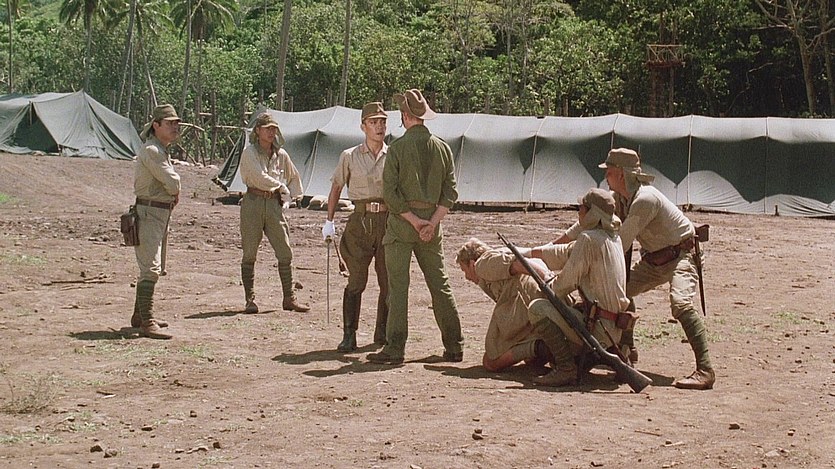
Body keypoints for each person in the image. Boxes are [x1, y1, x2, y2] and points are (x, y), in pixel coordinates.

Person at [556, 148, 715, 390]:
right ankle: (626, 353)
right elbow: (585, 224)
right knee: (621, 294)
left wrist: (579, 258)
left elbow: (620, 242)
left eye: (609, 172)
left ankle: (705, 370)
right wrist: (555, 245)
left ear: (622, 174)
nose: (605, 176)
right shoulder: (620, 198)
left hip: (683, 256)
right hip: (656, 260)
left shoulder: (645, 200)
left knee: (680, 304)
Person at [367, 89, 463, 365]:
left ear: (405, 116)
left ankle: (395, 348)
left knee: (398, 288)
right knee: (440, 284)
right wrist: (430, 222)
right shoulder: (443, 148)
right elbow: (450, 193)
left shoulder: (397, 148)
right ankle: (454, 346)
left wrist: (414, 220)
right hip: (432, 225)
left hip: (402, 225)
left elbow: (391, 194)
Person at [525, 188, 631, 386]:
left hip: (598, 328)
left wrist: (546, 283)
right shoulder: (613, 237)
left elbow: (563, 286)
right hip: (613, 327)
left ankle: (566, 368)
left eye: (582, 208)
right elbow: (563, 253)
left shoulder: (588, 239)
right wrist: (530, 253)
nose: (579, 213)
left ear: (592, 213)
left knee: (537, 309)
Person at [322, 102, 390, 352]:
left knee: (389, 281)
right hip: (360, 222)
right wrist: (329, 221)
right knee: (356, 281)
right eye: (373, 122)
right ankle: (349, 335)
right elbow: (336, 187)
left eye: (382, 122)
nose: (379, 127)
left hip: (388, 221)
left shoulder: (393, 155)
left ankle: (382, 333)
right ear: (363, 127)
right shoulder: (349, 156)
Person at [239, 112, 310, 313]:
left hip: (273, 205)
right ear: (257, 131)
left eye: (274, 129)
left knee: (285, 251)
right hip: (253, 202)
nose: (271, 132)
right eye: (267, 128)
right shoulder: (250, 153)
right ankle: (250, 300)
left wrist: (292, 197)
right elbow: (258, 176)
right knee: (250, 252)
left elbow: (294, 177)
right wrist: (281, 186)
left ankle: (289, 298)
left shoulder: (281, 155)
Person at [455, 238, 557, 372]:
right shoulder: (493, 262)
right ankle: (542, 347)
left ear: (472, 264)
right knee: (529, 360)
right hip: (530, 305)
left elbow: (520, 264)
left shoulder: (483, 264)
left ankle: (539, 347)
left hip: (527, 305)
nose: (467, 277)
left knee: (491, 361)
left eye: (465, 270)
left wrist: (547, 281)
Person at [131, 104, 182, 340]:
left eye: (176, 124)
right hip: (150, 212)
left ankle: (140, 315)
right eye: (169, 123)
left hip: (159, 212)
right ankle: (147, 321)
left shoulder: (160, 149)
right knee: (150, 267)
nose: (175, 128)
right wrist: (175, 189)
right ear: (156, 125)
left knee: (153, 265)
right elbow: (172, 182)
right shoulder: (152, 150)